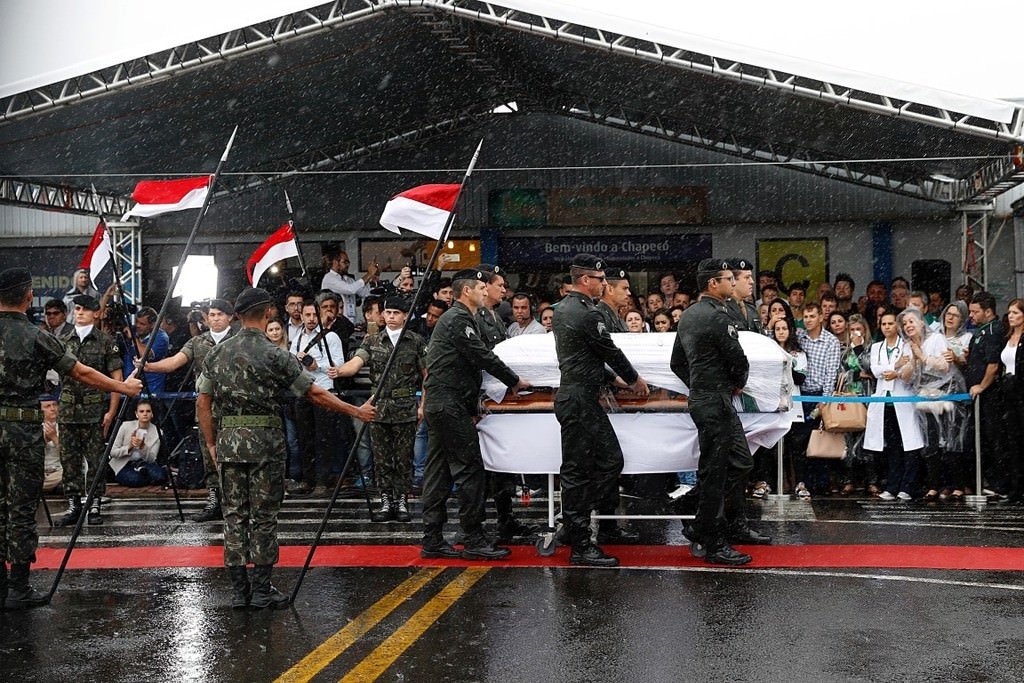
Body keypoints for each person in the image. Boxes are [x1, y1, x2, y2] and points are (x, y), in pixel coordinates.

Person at [196, 287, 374, 609]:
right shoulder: (275, 354)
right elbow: (314, 393)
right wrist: (355, 411)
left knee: (234, 515)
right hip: (266, 443)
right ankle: (262, 591)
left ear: (236, 315)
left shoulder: (216, 353)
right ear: (268, 313)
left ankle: (240, 592)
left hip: (229, 443)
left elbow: (203, 402)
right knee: (264, 517)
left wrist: (211, 442)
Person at [1, 267, 142, 610]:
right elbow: (79, 371)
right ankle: (17, 586)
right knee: (21, 508)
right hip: (21, 432)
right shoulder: (36, 336)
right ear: (28, 296)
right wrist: (123, 387)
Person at [420, 269, 530, 560]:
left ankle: (432, 538)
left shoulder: (459, 319)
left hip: (443, 404)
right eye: (481, 287)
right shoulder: (458, 319)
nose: (485, 291)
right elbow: (482, 356)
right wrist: (514, 381)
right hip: (449, 405)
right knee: (470, 471)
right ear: (466, 291)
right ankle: (473, 537)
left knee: (439, 472)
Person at [553, 254, 650, 567]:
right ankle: (579, 538)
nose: (604, 285)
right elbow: (609, 350)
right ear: (585, 280)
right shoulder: (585, 313)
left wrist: (615, 379)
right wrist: (635, 380)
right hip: (580, 400)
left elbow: (585, 357)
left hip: (578, 395)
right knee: (597, 465)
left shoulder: (565, 310)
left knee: (585, 468)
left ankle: (575, 526)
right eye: (600, 280)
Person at [671, 259, 766, 565]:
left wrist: (697, 384)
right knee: (716, 470)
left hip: (706, 398)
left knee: (739, 461)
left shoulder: (688, 316)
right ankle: (712, 538)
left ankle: (694, 504)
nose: (732, 282)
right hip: (716, 400)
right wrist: (735, 384)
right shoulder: (717, 315)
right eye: (727, 278)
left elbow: (677, 362)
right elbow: (738, 359)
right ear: (713, 284)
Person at [329, 297, 426, 523]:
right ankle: (385, 500)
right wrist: (340, 371)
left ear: (404, 315)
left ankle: (401, 499)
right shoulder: (372, 341)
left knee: (403, 456)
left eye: (395, 313)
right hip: (379, 407)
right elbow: (357, 362)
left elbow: (426, 375)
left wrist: (423, 406)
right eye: (388, 312)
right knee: (382, 457)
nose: (391, 317)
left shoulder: (415, 341)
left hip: (405, 406)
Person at [142, 298, 236, 522]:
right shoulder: (198, 342)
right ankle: (214, 499)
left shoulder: (239, 340)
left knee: (233, 456)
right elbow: (175, 362)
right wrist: (148, 366)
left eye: (220, 315)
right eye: (211, 315)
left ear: (230, 317)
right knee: (208, 454)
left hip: (234, 408)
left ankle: (234, 500)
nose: (215, 319)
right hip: (206, 408)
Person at [56, 294, 123, 526]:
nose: (80, 312)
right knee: (69, 459)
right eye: (77, 308)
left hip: (95, 409)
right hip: (67, 409)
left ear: (96, 313)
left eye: (85, 309)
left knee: (95, 459)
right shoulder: (62, 340)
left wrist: (111, 412)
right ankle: (74, 503)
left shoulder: (106, 342)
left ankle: (94, 501)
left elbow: (117, 379)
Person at [864, 310, 924, 501]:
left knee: (910, 444)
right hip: (884, 401)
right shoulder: (876, 347)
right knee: (892, 446)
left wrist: (894, 370)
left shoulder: (906, 345)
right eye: (884, 324)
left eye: (891, 323)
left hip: (903, 399)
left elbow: (909, 370)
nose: (887, 327)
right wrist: (895, 366)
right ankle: (892, 486)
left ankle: (908, 486)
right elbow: (875, 370)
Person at [289, 301, 346, 496]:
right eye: (308, 315)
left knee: (324, 437)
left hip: (324, 390)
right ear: (302, 316)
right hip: (303, 392)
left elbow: (338, 364)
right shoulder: (297, 338)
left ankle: (323, 480)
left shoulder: (331, 337)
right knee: (305, 437)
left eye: (314, 315)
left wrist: (317, 365)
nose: (311, 319)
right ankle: (308, 479)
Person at [965, 292, 1004, 499]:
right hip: (977, 396)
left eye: (975, 311)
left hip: (989, 396)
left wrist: (982, 385)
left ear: (988, 311)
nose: (971, 315)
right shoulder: (979, 331)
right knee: (980, 439)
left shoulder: (993, 330)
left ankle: (999, 483)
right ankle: (987, 480)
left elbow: (993, 364)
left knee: (992, 438)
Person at [995, 298, 1024, 504]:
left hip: (1021, 391)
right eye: (1010, 312)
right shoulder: (1008, 337)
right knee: (1012, 443)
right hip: (1009, 394)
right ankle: (1016, 489)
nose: (1011, 316)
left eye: (1015, 312)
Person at [109, 401, 165, 487]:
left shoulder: (158, 432)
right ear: (136, 414)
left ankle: (143, 474)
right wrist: (129, 447)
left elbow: (152, 459)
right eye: (141, 411)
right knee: (135, 480)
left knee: (160, 476)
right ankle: (141, 476)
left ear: (152, 414)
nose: (145, 414)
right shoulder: (125, 426)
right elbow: (112, 452)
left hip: (144, 463)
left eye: (148, 411)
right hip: (124, 463)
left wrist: (143, 446)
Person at [320, 250, 380, 324]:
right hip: (335, 324)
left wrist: (373, 278)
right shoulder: (329, 278)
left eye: (348, 262)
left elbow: (365, 293)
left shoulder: (349, 279)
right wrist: (369, 274)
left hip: (351, 323)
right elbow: (351, 289)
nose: (347, 265)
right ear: (335, 263)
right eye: (345, 262)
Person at [725, 258, 760, 332]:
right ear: (733, 280)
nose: (752, 281)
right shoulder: (723, 309)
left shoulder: (752, 309)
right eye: (747, 277)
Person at [41, 399, 62, 493]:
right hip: (39, 471)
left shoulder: (64, 427)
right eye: (48, 406)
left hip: (57, 472)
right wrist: (44, 439)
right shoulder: (33, 428)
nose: (53, 409)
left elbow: (70, 453)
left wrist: (54, 438)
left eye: (55, 405)